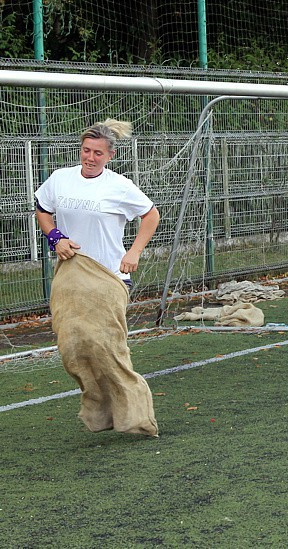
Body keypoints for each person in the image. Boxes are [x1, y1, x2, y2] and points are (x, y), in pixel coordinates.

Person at [34, 118, 160, 436]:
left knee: (107, 347)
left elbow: (151, 215)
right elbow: (42, 209)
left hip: (108, 276)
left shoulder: (119, 186)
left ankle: (136, 417)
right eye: (86, 150)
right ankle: (101, 412)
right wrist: (56, 237)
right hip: (71, 274)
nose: (90, 158)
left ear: (110, 156)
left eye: (98, 153)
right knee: (73, 347)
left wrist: (134, 253)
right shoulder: (60, 179)